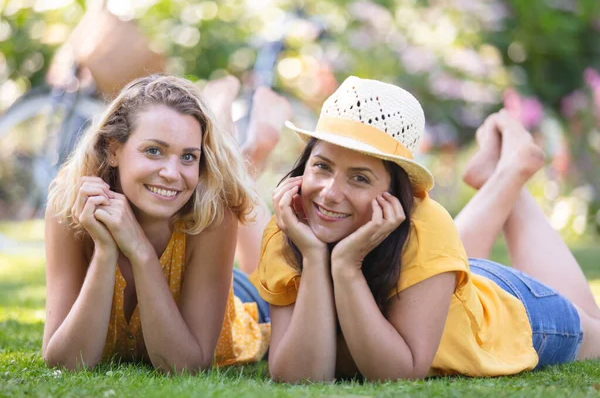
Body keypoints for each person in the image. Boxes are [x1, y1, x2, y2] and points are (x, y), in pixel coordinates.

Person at [249, 76, 600, 382]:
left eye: (359, 177)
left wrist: (345, 266)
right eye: (321, 167)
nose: (329, 193)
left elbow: (398, 373)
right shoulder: (290, 227)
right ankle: (507, 176)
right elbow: (299, 377)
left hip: (515, 314)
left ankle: (513, 172)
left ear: (394, 191)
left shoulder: (426, 225)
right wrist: (312, 257)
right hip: (438, 283)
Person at [42, 74, 277, 372]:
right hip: (203, 277)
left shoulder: (212, 216)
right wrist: (105, 250)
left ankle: (249, 156)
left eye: (189, 156)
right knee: (234, 188)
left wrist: (140, 250)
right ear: (113, 149)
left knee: (265, 267)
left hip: (243, 299)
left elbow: (186, 366)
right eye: (154, 150)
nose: (171, 173)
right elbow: (64, 362)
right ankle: (236, 146)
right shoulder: (71, 206)